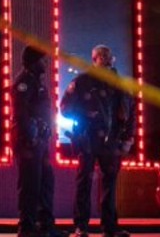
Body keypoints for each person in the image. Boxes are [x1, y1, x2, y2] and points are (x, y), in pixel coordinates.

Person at [60, 45, 135, 237]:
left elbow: (131, 112)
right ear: (94, 59)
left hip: (111, 141)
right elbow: (65, 108)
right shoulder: (83, 82)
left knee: (109, 183)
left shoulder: (120, 85)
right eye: (102, 56)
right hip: (87, 139)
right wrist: (85, 115)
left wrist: (128, 138)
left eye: (108, 56)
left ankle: (110, 227)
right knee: (84, 181)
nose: (107, 59)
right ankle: (81, 227)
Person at [13, 45, 63, 237]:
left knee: (45, 183)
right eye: (41, 60)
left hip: (40, 141)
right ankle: (27, 227)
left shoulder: (37, 82)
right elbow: (21, 112)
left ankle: (45, 226)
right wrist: (30, 136)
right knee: (30, 185)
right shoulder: (24, 82)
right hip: (29, 142)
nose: (44, 63)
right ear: (33, 62)